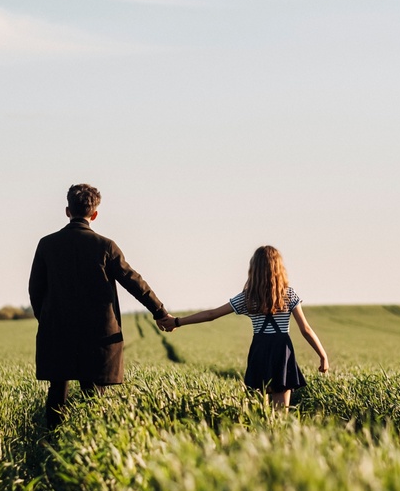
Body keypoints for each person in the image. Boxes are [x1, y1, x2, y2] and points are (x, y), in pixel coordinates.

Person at [29, 183, 174, 428]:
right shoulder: (105, 246)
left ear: (67, 211)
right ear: (94, 214)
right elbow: (134, 281)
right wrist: (159, 312)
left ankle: (50, 443)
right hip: (97, 334)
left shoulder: (46, 244)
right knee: (93, 392)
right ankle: (90, 443)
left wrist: (47, 319)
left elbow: (35, 289)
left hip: (58, 329)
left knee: (57, 388)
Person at [162, 245, 328, 407]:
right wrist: (322, 356)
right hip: (281, 353)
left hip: (260, 352)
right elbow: (305, 329)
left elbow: (211, 315)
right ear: (279, 268)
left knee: (258, 409)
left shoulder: (248, 298)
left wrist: (177, 321)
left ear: (254, 269)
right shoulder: (289, 294)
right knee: (281, 413)